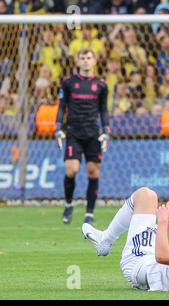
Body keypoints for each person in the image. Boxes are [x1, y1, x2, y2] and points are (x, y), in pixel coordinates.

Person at [55, 48, 110, 226]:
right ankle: (69, 204)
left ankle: (89, 213)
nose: (86, 61)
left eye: (89, 57)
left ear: (94, 61)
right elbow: (62, 106)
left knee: (93, 172)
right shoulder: (68, 83)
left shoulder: (101, 85)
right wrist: (58, 128)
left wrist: (106, 131)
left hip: (93, 134)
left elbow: (103, 109)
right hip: (73, 133)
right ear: (77, 61)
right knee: (71, 170)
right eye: (83, 58)